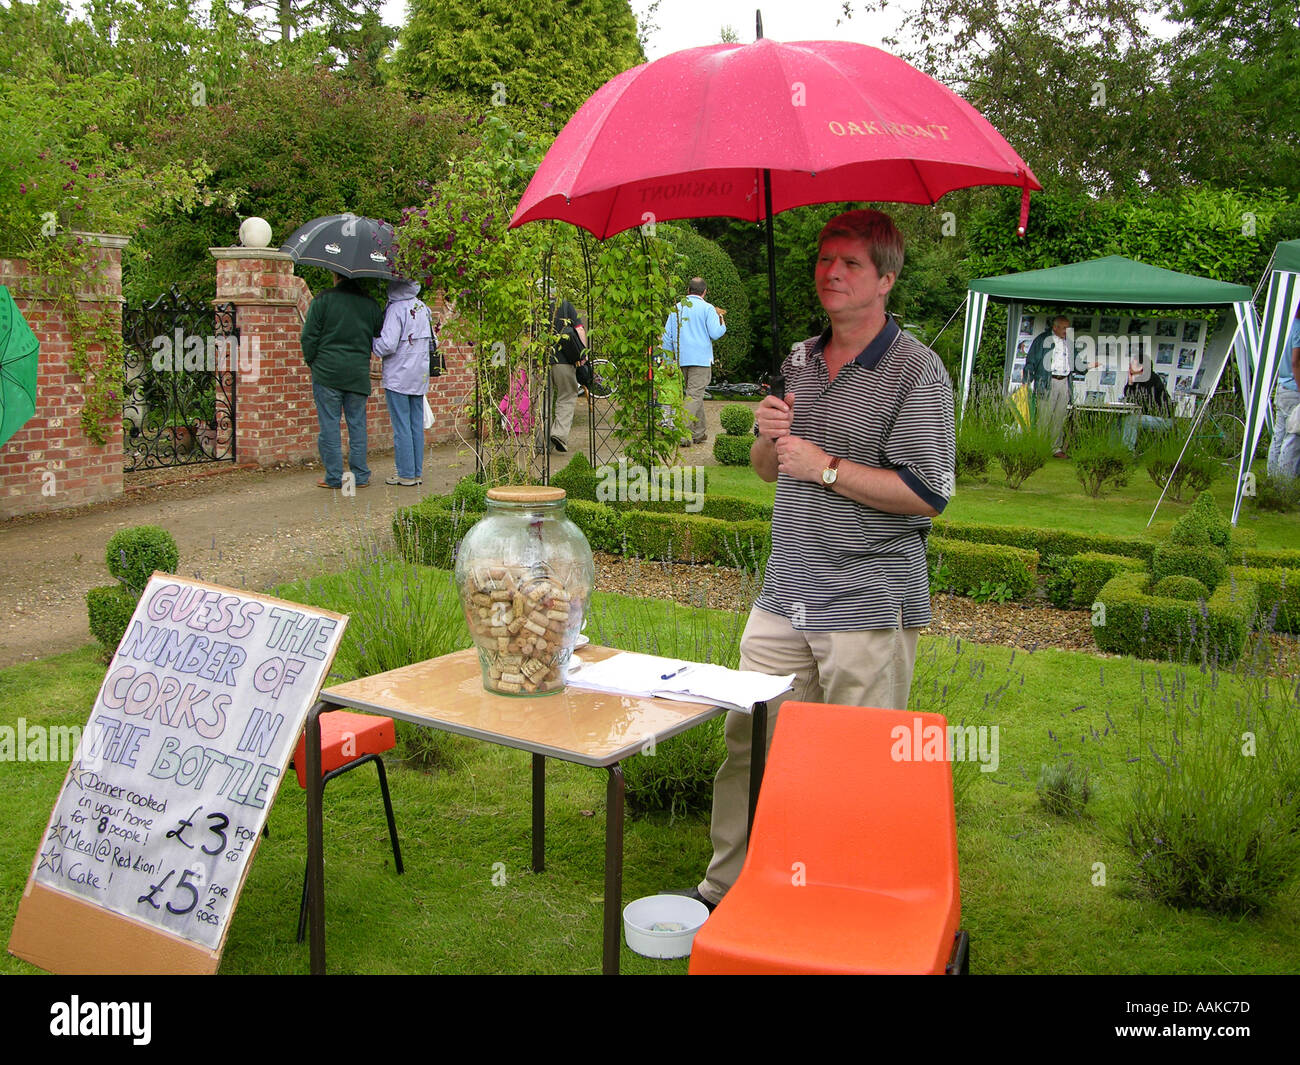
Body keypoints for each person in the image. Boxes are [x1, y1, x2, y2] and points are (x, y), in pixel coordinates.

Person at [683, 208, 955, 910]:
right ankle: (729, 891)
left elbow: (927, 493)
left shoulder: (916, 370)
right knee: (749, 748)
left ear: (886, 279)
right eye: (824, 259)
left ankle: (841, 902)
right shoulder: (799, 358)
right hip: (785, 595)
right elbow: (769, 470)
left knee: (855, 768)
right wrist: (771, 438)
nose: (831, 272)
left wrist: (825, 465)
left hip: (868, 603)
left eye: (851, 263)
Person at [301, 272, 383, 489]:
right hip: (357, 373)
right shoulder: (370, 304)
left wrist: (313, 362)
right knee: (357, 425)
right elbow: (378, 331)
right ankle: (360, 475)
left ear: (335, 275)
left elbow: (308, 336)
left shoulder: (322, 300)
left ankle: (335, 477)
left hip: (327, 372)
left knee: (329, 425)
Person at [374, 277, 432, 486]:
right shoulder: (422, 307)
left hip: (398, 375)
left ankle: (405, 474)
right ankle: (416, 472)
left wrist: (373, 343)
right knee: (416, 424)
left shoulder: (396, 309)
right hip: (419, 374)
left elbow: (388, 345)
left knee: (401, 426)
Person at [661, 277, 726, 445]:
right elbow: (715, 333)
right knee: (694, 396)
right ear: (704, 292)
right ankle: (681, 434)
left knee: (693, 395)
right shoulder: (708, 308)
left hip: (682, 358)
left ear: (688, 290)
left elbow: (667, 337)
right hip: (701, 360)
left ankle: (698, 432)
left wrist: (668, 360)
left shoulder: (676, 308)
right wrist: (722, 323)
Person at [537, 297, 586, 453]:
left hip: (540, 363)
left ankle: (541, 443)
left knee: (542, 400)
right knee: (567, 394)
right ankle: (559, 433)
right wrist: (583, 353)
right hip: (564, 360)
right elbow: (579, 329)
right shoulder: (565, 305)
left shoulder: (534, 307)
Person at [1025, 314, 1076, 457]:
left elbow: (1076, 361)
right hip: (1047, 381)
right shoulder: (1042, 340)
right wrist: (1026, 381)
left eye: (1068, 327)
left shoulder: (1069, 342)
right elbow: (1031, 361)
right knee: (1044, 416)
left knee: (1060, 417)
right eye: (1065, 328)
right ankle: (1039, 447)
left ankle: (1055, 448)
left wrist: (1088, 365)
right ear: (1055, 327)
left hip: (1064, 381)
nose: (1067, 330)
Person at [1121, 355, 1173, 451]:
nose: (1129, 366)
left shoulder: (1152, 379)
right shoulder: (1138, 379)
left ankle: (1127, 452)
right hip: (1147, 417)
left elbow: (1145, 402)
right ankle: (1114, 453)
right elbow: (1128, 396)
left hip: (1162, 419)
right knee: (1118, 421)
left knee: (1131, 420)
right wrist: (1130, 383)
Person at [1271, 307, 1300, 478]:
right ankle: (1283, 485)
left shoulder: (1285, 326)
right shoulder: (1298, 327)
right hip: (1293, 389)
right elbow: (1295, 361)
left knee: (1278, 437)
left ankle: (1271, 478)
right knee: (1292, 439)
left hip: (1281, 386)